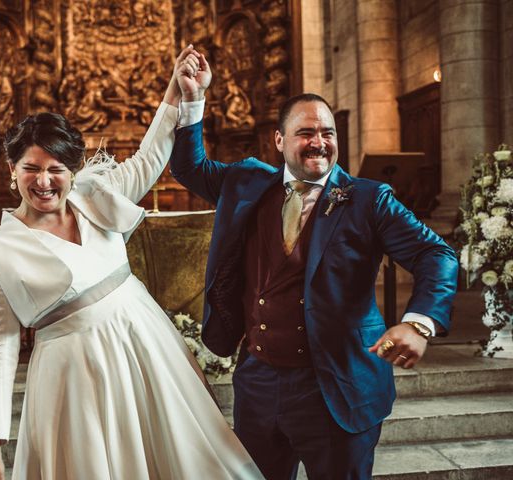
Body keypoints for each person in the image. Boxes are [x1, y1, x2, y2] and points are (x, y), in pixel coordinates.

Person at [0, 46, 263, 480]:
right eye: (32, 168)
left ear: (73, 169)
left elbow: (148, 158)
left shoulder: (94, 195)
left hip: (148, 350)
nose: (44, 181)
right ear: (11, 169)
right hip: (74, 377)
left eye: (57, 169)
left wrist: (179, 92)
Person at [170, 57, 459, 479]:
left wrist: (418, 324)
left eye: (327, 132)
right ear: (279, 141)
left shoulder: (368, 199)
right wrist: (193, 99)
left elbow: (436, 255)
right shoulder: (247, 183)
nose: (319, 142)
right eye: (306, 132)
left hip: (338, 386)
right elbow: (188, 168)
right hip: (259, 387)